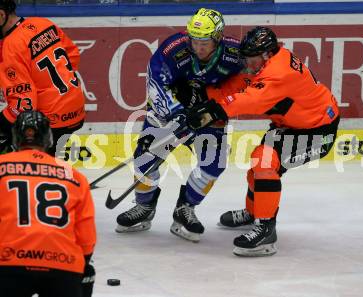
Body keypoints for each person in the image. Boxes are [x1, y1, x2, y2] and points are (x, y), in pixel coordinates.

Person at [187, 26, 340, 256]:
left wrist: (214, 110)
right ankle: (255, 212)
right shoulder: (268, 62)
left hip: (317, 130)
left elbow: (250, 100)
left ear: (267, 54)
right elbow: (242, 82)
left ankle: (266, 229)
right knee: (257, 170)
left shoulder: (278, 73)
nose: (248, 63)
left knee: (265, 162)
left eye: (252, 58)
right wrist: (206, 95)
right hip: (290, 126)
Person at [115, 8, 243, 242]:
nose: (199, 46)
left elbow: (249, 85)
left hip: (208, 114)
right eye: (195, 40)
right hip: (169, 110)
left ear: (217, 38)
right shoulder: (174, 49)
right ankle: (144, 207)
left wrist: (214, 106)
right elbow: (155, 82)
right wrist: (175, 112)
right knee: (145, 155)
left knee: (214, 161)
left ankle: (186, 208)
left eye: (205, 41)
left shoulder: (235, 53)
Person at [0, 111, 96, 296]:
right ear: (49, 139)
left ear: (15, 138)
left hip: (9, 264)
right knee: (87, 271)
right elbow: (87, 237)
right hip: (63, 265)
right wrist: (80, 265)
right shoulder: (74, 176)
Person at [0, 0, 85, 156]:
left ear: (1, 15)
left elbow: (24, 104)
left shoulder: (10, 46)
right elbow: (72, 55)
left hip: (52, 121)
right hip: (76, 109)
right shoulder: (42, 23)